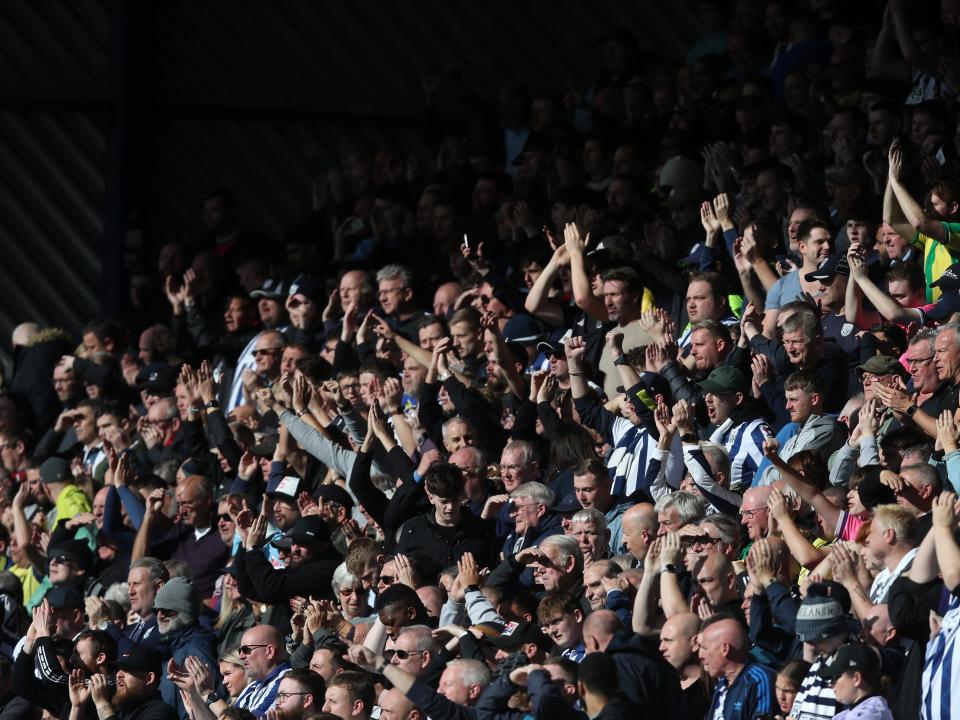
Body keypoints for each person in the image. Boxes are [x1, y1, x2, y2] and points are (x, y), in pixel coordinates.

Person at [68, 645, 177, 720]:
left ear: (149, 678)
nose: (119, 674)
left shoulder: (161, 712)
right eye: (118, 669)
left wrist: (102, 703)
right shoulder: (121, 708)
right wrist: (77, 706)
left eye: (128, 670)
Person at [700, 615, 777, 720]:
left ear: (725, 649)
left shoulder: (759, 679)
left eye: (705, 648)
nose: (700, 656)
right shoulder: (722, 684)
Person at [817, 642, 892, 720]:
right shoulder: (853, 712)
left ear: (856, 678)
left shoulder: (870, 714)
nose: (831, 684)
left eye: (836, 677)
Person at [233, 624, 292, 716]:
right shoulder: (251, 686)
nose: (241, 656)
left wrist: (207, 695)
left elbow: (255, 718)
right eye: (240, 650)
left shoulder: (286, 682)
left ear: (269, 651)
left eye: (246, 650)